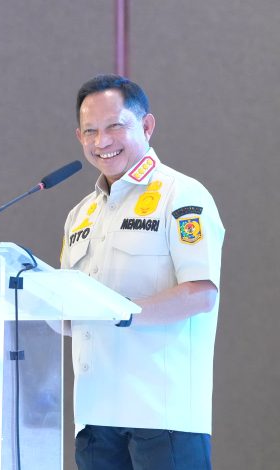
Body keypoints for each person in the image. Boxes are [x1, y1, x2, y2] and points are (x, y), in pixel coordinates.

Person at [59, 74, 225, 470]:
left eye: (115, 126)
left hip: (163, 413)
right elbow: (69, 313)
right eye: (90, 131)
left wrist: (119, 312)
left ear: (146, 126)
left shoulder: (180, 194)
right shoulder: (80, 214)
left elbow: (201, 293)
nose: (102, 141)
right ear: (79, 137)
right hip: (95, 415)